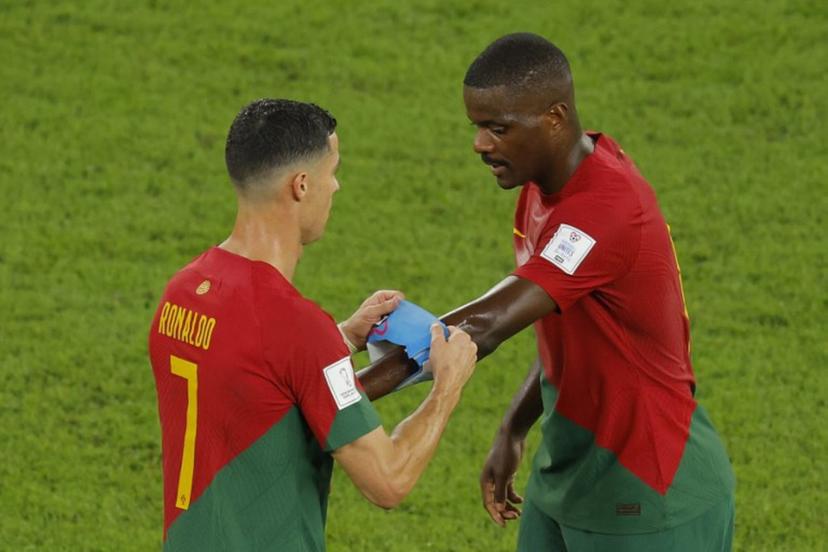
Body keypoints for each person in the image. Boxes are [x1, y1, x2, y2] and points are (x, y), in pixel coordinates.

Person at [359, 33, 735, 551]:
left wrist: (338, 395)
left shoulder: (605, 209)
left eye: (498, 128)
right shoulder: (540, 189)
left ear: (555, 118)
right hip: (568, 471)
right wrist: (514, 427)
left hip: (647, 486)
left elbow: (483, 327)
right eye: (477, 127)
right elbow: (560, 321)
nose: (480, 144)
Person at [148, 99, 477, 551]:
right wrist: (448, 386)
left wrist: (343, 336)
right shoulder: (297, 329)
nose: (336, 186)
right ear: (301, 185)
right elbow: (388, 480)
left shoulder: (182, 291)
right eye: (332, 171)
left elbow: (250, 380)